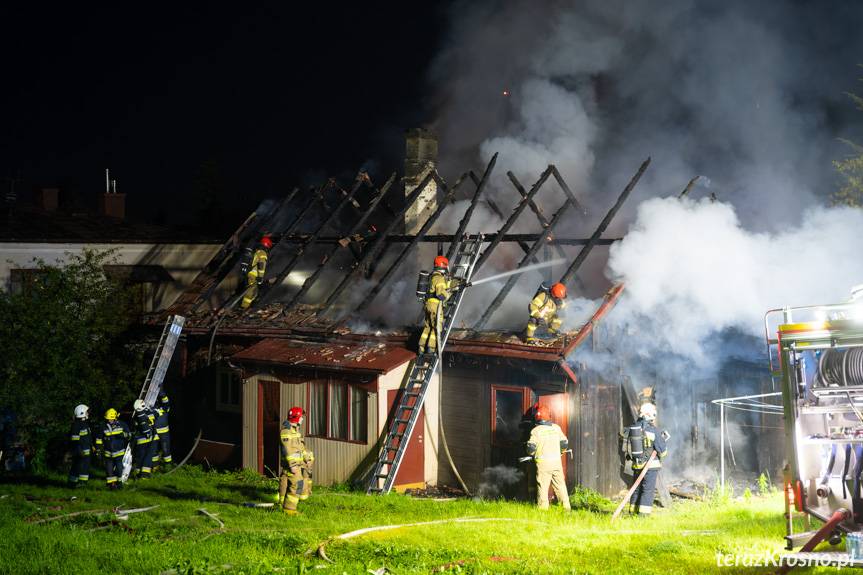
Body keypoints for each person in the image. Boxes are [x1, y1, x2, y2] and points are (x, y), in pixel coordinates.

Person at [623, 402, 669, 516]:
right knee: (647, 490)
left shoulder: (633, 428)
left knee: (636, 489)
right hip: (650, 466)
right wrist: (662, 441)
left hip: (636, 465)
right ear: (650, 414)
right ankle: (643, 515)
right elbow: (663, 452)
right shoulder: (654, 431)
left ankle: (632, 512)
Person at [526, 404, 571, 511]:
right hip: (556, 463)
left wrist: (531, 454)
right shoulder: (556, 428)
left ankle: (543, 510)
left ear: (537, 417)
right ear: (549, 416)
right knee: (560, 485)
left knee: (543, 487)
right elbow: (564, 443)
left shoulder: (536, 431)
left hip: (543, 465)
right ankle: (566, 508)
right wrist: (560, 452)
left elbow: (531, 448)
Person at [418, 255, 454, 355]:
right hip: (435, 306)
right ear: (444, 265)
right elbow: (441, 295)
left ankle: (421, 347)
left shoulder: (432, 276)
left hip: (428, 304)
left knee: (428, 326)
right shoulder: (439, 278)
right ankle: (431, 348)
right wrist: (450, 293)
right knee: (437, 327)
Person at [279, 406, 311, 514]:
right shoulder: (286, 431)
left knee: (294, 483)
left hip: (297, 464)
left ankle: (285, 504)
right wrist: (292, 465)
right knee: (297, 483)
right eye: (301, 417)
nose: (302, 419)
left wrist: (307, 458)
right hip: (292, 465)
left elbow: (300, 447)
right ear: (297, 417)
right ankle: (289, 509)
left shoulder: (295, 431)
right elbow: (286, 449)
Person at [95, 408, 130, 489]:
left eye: (111, 419)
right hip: (108, 452)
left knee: (119, 468)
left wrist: (123, 435)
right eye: (108, 419)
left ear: (115, 417)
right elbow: (98, 439)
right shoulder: (103, 426)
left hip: (119, 452)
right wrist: (99, 450)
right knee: (109, 468)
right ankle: (111, 484)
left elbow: (129, 435)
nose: (109, 420)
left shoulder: (122, 424)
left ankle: (119, 482)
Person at [240, 234, 273, 309]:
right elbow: (262, 265)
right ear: (267, 245)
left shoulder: (257, 251)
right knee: (250, 291)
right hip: (253, 275)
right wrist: (260, 277)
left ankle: (248, 307)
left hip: (251, 273)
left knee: (254, 291)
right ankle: (243, 307)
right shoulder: (262, 253)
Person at [131, 399, 158, 478]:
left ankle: (138, 473)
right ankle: (145, 475)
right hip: (149, 439)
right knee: (148, 457)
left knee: (141, 457)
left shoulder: (138, 416)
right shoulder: (147, 414)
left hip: (141, 440)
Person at [68, 404, 92, 487]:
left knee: (85, 467)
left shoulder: (85, 424)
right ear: (82, 413)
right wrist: (79, 451)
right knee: (77, 467)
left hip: (86, 451)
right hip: (80, 451)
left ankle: (83, 483)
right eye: (87, 412)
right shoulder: (77, 425)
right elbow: (75, 440)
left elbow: (87, 438)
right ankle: (72, 483)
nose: (88, 414)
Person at [152, 392, 172, 468]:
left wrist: (163, 395)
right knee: (154, 451)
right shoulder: (150, 411)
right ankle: (155, 467)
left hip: (164, 434)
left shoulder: (164, 408)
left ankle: (168, 466)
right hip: (154, 433)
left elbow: (166, 402)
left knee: (166, 449)